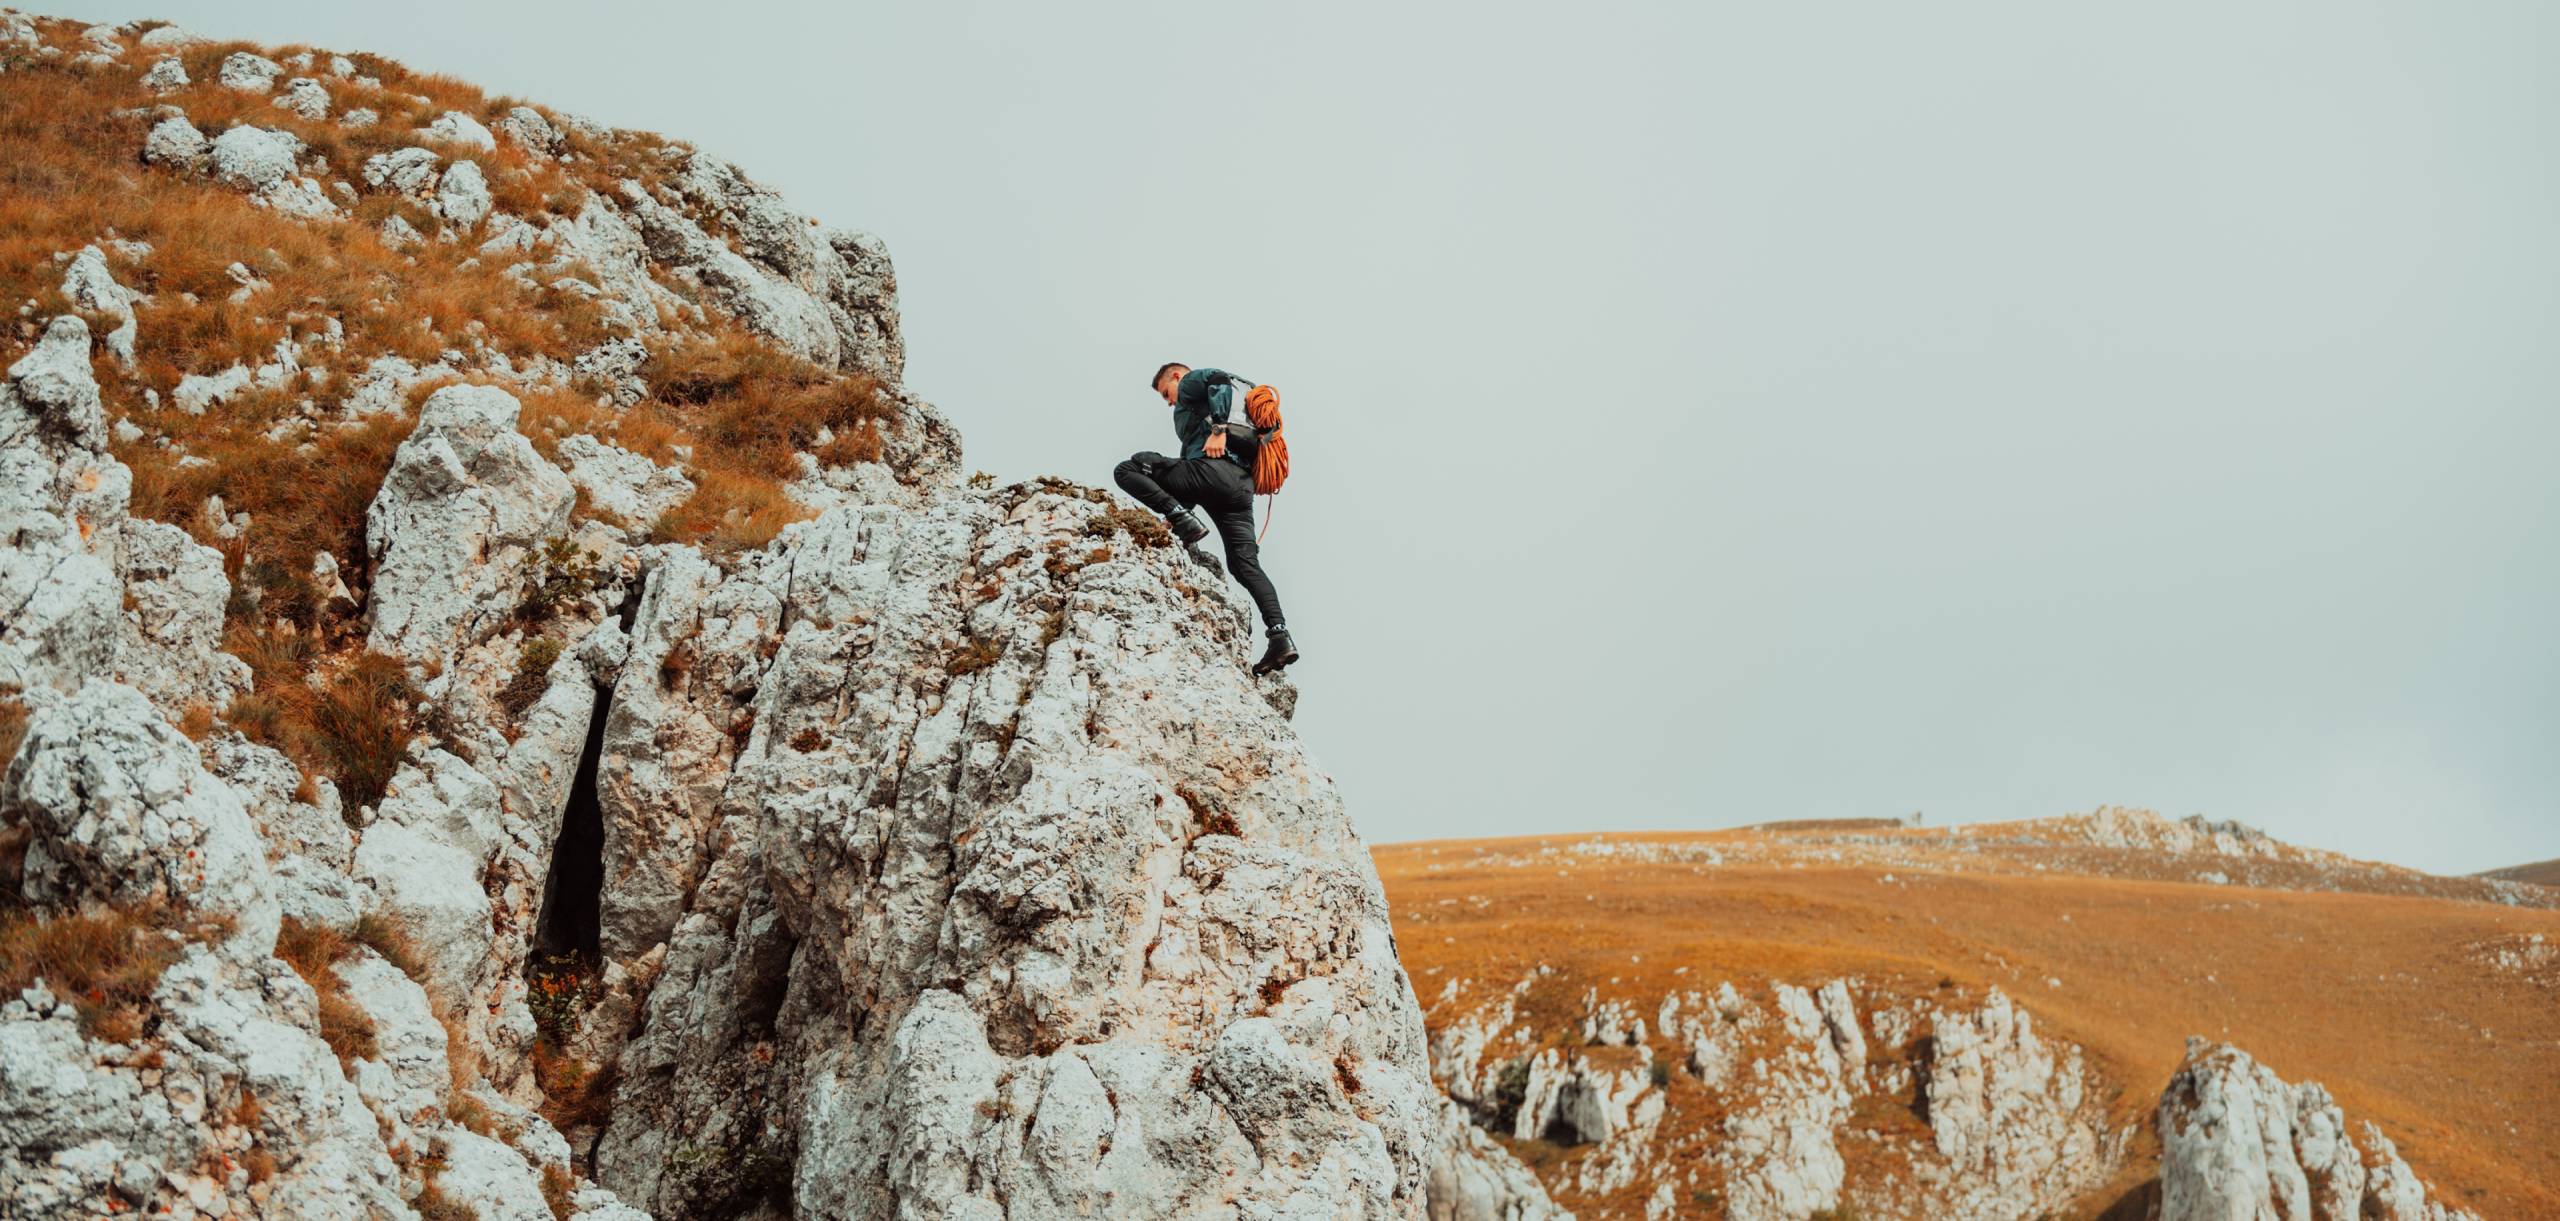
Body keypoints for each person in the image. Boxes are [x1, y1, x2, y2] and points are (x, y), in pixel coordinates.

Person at [1114, 362, 1298, 676]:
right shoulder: (1241, 401)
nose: (1170, 401)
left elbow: (1219, 380)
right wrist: (1180, 513)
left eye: (1165, 394)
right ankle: (1280, 635)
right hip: (1240, 489)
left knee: (1129, 469)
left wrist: (1217, 432)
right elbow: (1192, 482)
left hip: (1212, 471)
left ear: (1175, 377)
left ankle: (1180, 518)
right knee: (1243, 564)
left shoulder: (1190, 382)